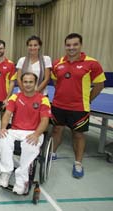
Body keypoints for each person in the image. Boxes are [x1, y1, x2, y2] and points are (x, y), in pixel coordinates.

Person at [51, 33, 106, 178]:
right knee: (56, 130)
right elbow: (56, 82)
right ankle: (53, 153)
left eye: (75, 44)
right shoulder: (57, 63)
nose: (71, 48)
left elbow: (100, 85)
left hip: (79, 108)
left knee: (78, 135)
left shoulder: (91, 63)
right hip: (58, 105)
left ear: (80, 45)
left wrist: (87, 100)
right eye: (68, 45)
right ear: (65, 46)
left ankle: (78, 163)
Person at [0, 72, 51, 195]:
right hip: (16, 130)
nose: (27, 84)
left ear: (35, 83)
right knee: (3, 139)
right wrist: (3, 128)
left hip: (34, 131)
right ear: (21, 83)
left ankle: (21, 181)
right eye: (25, 82)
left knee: (30, 146)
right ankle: (6, 173)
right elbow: (7, 115)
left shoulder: (43, 100)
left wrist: (37, 134)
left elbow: (45, 121)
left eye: (30, 82)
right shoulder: (15, 97)